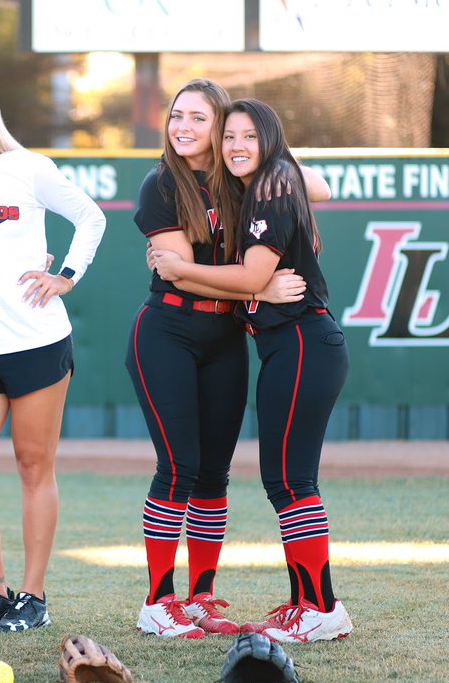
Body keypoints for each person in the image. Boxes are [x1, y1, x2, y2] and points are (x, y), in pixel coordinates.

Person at [129, 80, 330, 639]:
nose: (184, 128)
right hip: (167, 330)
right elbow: (177, 267)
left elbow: (321, 186)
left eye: (199, 119)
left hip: (225, 335)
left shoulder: (246, 178)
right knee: (178, 467)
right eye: (177, 117)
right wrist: (260, 288)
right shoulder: (161, 182)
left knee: (215, 473)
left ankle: (201, 598)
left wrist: (274, 161)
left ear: (220, 129)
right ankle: (157, 602)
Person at [0, 69, 105, 633]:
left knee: (34, 466)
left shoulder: (28, 168)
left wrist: (67, 276)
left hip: (37, 341)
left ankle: (33, 595)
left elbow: (90, 216)